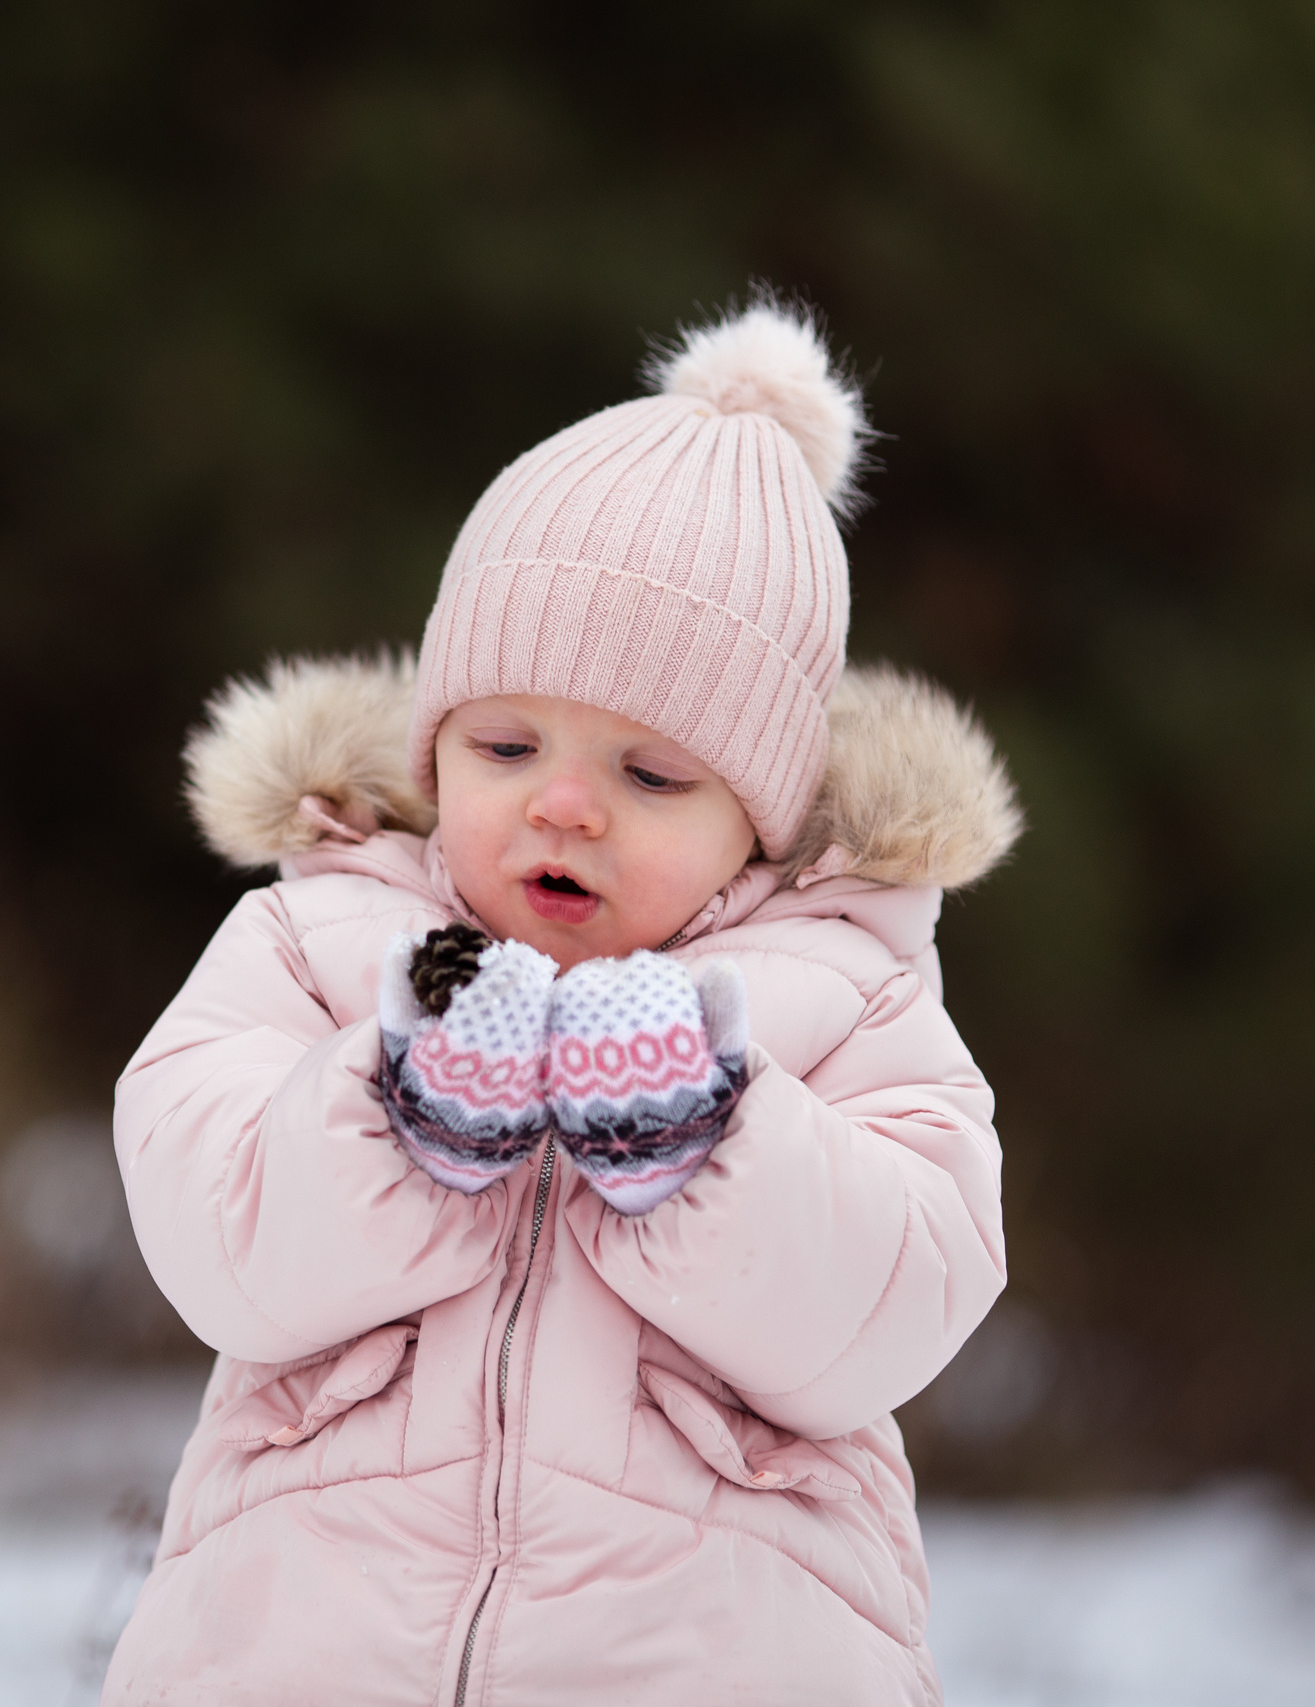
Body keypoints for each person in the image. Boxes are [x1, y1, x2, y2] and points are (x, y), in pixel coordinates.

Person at [103, 293, 1022, 1704]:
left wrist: (710, 1137)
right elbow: (212, 1242)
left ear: (762, 818)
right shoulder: (322, 940)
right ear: (436, 742)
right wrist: (390, 1106)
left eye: (653, 777)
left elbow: (894, 1305)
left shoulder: (845, 994)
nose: (567, 806)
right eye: (508, 742)